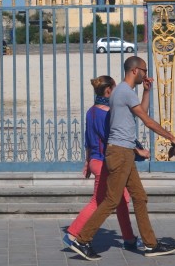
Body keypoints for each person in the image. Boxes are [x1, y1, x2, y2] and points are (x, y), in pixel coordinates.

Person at [68, 56, 175, 261]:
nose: (146, 75)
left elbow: (141, 113)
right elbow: (147, 121)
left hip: (124, 152)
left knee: (139, 197)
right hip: (120, 152)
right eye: (144, 71)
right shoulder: (123, 91)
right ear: (135, 70)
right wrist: (172, 138)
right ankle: (82, 239)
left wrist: (147, 91)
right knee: (111, 200)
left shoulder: (123, 92)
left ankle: (151, 244)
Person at [63, 76, 147, 253]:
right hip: (105, 162)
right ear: (108, 91)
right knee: (99, 201)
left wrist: (87, 162)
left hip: (95, 160)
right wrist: (138, 151)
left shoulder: (90, 111)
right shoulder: (107, 114)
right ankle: (73, 234)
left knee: (122, 200)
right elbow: (114, 141)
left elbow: (88, 139)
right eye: (115, 89)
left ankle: (129, 239)